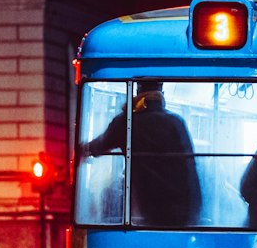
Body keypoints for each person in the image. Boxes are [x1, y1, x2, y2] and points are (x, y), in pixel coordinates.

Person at [84, 85, 201, 228]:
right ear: (162, 94)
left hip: (148, 210)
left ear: (137, 92)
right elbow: (190, 170)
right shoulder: (176, 122)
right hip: (184, 212)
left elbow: (96, 147)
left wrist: (79, 150)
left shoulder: (126, 122)